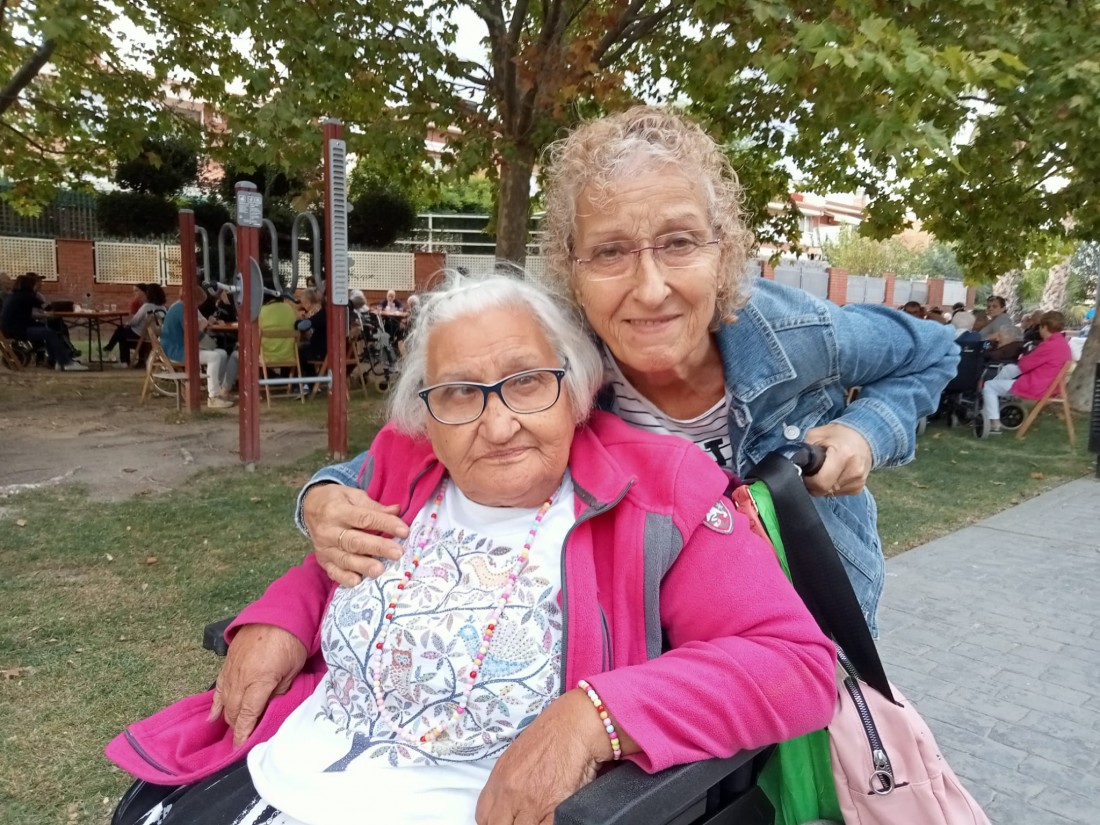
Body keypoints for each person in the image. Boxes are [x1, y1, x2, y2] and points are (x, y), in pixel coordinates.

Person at [215, 106, 957, 747]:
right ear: (571, 268)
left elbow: (934, 352)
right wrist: (323, 499)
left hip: (820, 613)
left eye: (679, 242)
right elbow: (423, 447)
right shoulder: (560, 367)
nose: (650, 288)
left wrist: (867, 431)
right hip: (668, 652)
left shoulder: (797, 333)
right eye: (609, 252)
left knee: (831, 780)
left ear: (723, 249)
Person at [107, 272, 836, 824]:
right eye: (459, 392)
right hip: (278, 777)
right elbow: (337, 563)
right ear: (425, 413)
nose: (497, 424)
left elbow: (795, 664)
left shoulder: (661, 490)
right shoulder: (406, 461)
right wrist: (281, 615)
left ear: (576, 387)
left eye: (527, 381)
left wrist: (594, 717)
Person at [981, 310, 1072, 435]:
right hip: (1049, 383)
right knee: (1009, 369)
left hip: (1037, 386)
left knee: (989, 386)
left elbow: (1024, 365)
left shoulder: (1049, 346)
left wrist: (1024, 357)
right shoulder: (1063, 343)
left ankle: (994, 423)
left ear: (1045, 327)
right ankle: (994, 401)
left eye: (1040, 327)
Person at [160, 282, 237, 408]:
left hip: (183, 348)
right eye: (198, 303)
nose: (198, 306)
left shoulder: (179, 307)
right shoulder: (182, 310)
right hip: (178, 351)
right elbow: (193, 334)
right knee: (214, 357)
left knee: (222, 353)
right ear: (194, 299)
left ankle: (218, 391)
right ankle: (213, 397)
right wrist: (204, 333)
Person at [0, 273, 88, 370]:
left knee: (49, 330)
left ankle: (55, 360)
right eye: (35, 284)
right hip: (18, 330)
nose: (38, 285)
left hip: (8, 329)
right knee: (50, 333)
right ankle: (66, 362)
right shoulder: (28, 297)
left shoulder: (13, 296)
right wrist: (58, 310)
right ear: (30, 285)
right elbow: (47, 307)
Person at [105, 283, 167, 367]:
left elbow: (135, 321)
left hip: (140, 333)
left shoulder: (146, 306)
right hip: (156, 335)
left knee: (121, 332)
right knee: (122, 332)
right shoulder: (163, 308)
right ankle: (110, 350)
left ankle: (122, 360)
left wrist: (128, 323)